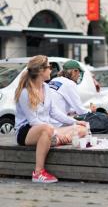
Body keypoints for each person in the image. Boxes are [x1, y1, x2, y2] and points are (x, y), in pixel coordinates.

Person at [14, 55, 87, 183]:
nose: (51, 70)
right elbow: (33, 121)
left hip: (47, 129)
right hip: (26, 132)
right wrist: (54, 132)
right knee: (47, 129)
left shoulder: (46, 87)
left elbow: (54, 112)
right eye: (49, 67)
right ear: (41, 71)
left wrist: (75, 121)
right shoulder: (25, 92)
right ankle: (38, 172)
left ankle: (54, 140)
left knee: (82, 129)